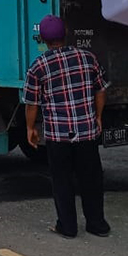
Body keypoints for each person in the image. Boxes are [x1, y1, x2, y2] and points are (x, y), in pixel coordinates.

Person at [23, 14, 111, 239]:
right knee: (91, 178)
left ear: (42, 38)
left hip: (58, 134)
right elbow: (101, 90)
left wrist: (30, 128)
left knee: (62, 180)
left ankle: (68, 226)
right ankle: (97, 224)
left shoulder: (38, 66)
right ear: (66, 34)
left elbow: (32, 104)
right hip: (86, 131)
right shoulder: (87, 58)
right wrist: (98, 117)